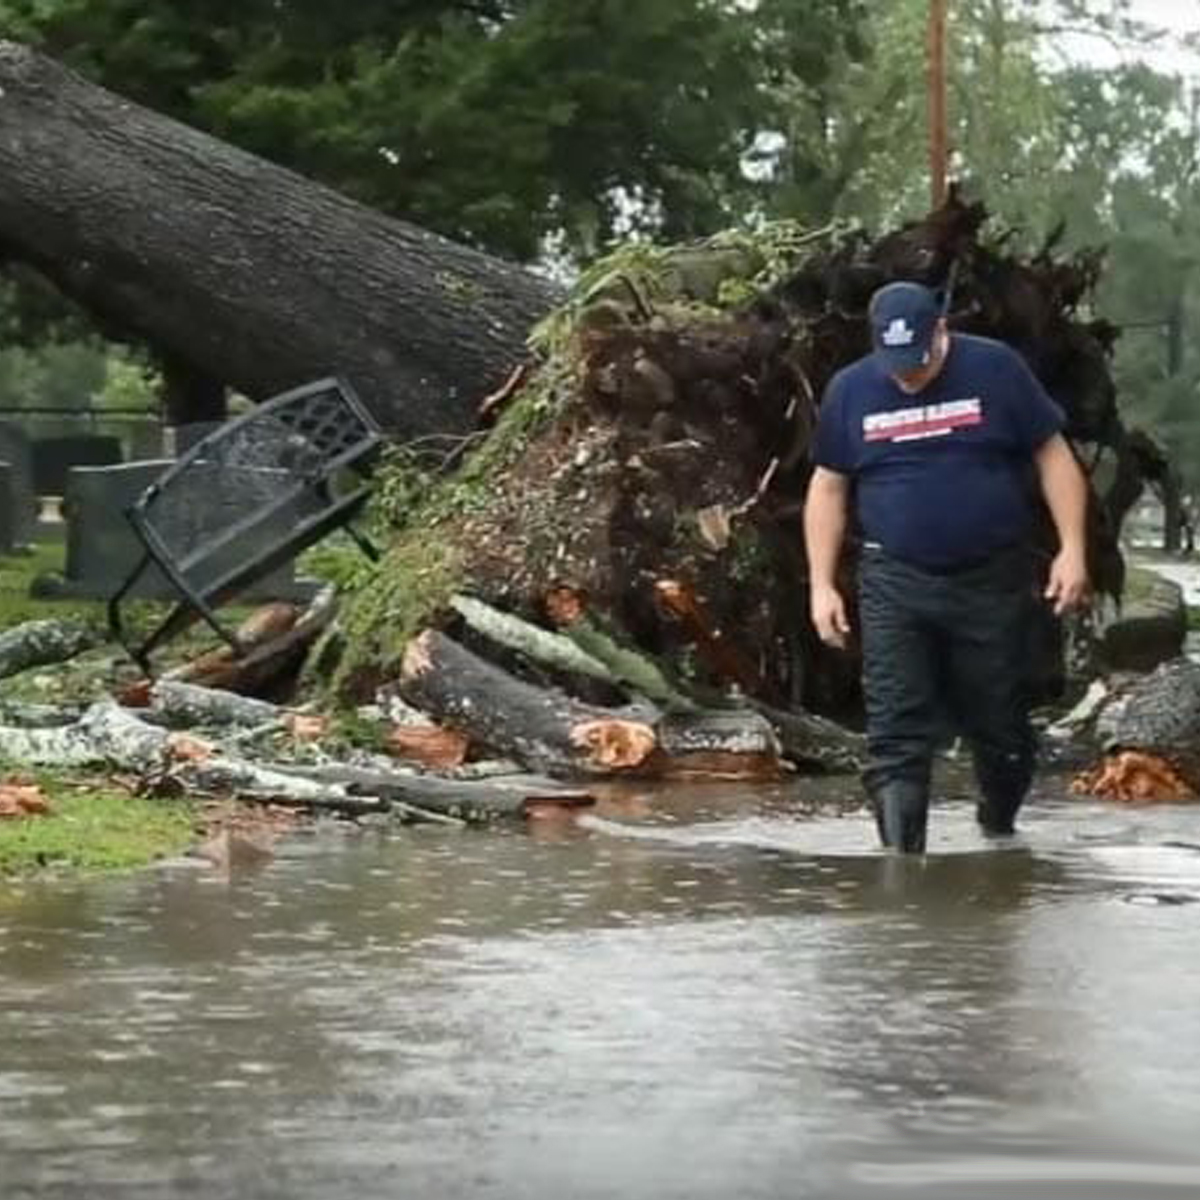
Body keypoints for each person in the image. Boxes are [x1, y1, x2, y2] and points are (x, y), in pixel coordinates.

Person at [803, 280, 1090, 853]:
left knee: (1000, 725)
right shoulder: (852, 390)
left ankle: (1000, 837)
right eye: (896, 364)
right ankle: (902, 877)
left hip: (991, 576)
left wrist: (1072, 548)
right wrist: (821, 585)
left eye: (920, 360)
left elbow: (1053, 455)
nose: (909, 375)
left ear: (941, 331)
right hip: (894, 579)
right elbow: (829, 488)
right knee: (896, 732)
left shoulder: (996, 369)